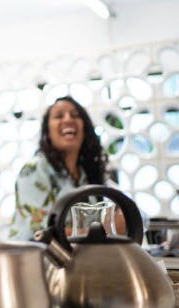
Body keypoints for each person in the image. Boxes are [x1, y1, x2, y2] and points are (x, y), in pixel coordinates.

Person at [8, 95, 111, 241]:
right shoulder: (34, 170)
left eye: (75, 115)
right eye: (58, 116)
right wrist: (105, 229)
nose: (68, 119)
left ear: (85, 128)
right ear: (48, 132)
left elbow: (124, 214)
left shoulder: (87, 175)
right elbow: (41, 234)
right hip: (34, 261)